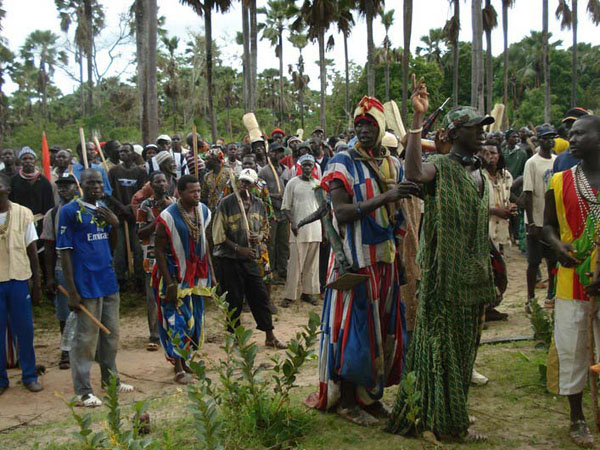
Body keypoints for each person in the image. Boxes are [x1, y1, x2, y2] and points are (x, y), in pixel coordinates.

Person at [388, 77, 496, 441]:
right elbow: (414, 173)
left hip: (473, 277)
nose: (481, 134)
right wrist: (417, 121)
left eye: (483, 128)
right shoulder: (440, 167)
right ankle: (448, 424)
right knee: (442, 351)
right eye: (474, 128)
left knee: (465, 351)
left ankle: (452, 410)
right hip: (444, 280)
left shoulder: (479, 172)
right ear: (455, 132)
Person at [305, 95, 418, 426]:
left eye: (370, 124)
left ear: (382, 127)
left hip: (384, 259)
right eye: (359, 124)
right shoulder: (342, 162)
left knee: (382, 330)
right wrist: (385, 196)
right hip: (354, 262)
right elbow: (340, 212)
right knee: (354, 332)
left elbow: (397, 215)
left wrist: (399, 259)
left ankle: (371, 398)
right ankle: (349, 402)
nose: (363, 129)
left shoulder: (392, 164)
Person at [544, 115, 600, 449]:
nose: (571, 138)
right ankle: (577, 418)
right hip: (571, 281)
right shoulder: (560, 180)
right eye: (571, 134)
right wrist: (557, 245)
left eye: (580, 133)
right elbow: (546, 225)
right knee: (573, 349)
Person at [57, 169, 134, 407]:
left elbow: (110, 244)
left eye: (99, 183)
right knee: (85, 340)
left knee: (111, 335)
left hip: (107, 280)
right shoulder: (69, 211)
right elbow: (65, 252)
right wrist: (71, 290)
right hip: (84, 283)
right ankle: (83, 391)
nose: (96, 187)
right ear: (81, 185)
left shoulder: (103, 209)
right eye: (91, 183)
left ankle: (110, 379)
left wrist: (115, 224)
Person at [212, 168, 287, 350]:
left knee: (260, 297)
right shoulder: (225, 204)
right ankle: (236, 338)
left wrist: (259, 237)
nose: (244, 186)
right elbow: (218, 236)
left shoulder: (259, 204)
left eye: (248, 183)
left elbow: (266, 229)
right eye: (242, 182)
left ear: (254, 186)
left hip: (252, 259)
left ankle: (270, 335)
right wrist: (239, 249)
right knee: (234, 299)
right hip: (229, 260)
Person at [153, 175, 211, 384]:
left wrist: (211, 276)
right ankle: (177, 367)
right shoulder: (167, 217)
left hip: (196, 276)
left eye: (199, 191)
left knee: (193, 319)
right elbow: (158, 250)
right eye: (192, 191)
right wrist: (169, 282)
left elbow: (204, 243)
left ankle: (185, 360)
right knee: (175, 320)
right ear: (180, 192)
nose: (197, 195)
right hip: (173, 275)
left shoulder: (204, 211)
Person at [0, 172, 43, 395]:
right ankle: (1, 380)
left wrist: (36, 284)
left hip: (19, 279)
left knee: (24, 330)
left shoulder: (23, 213)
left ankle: (29, 375)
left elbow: (32, 251)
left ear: (7, 189)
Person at [41, 173, 79, 370]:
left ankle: (87, 348)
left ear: (76, 187)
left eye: (68, 185)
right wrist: (49, 277)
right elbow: (48, 246)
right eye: (60, 186)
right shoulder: (52, 214)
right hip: (61, 268)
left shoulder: (85, 209)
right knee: (64, 311)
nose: (64, 189)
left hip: (84, 268)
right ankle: (66, 350)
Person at [137, 171, 174, 352]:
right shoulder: (145, 206)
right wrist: (159, 220)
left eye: (163, 181)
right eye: (157, 181)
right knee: (152, 295)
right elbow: (141, 232)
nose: (161, 184)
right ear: (151, 185)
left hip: (172, 254)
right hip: (151, 255)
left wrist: (169, 210)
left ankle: (172, 329)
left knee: (172, 291)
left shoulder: (174, 203)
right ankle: (154, 334)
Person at [524, 125, 558, 312]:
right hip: (536, 220)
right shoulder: (532, 163)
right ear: (538, 141)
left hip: (551, 222)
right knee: (534, 262)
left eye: (552, 137)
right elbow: (528, 194)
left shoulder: (557, 161)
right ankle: (530, 299)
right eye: (545, 138)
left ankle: (551, 294)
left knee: (552, 261)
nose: (549, 141)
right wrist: (531, 222)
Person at [281, 154, 322, 308]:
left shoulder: (318, 184)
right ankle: (290, 295)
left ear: (313, 167)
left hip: (315, 229)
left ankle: (308, 292)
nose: (307, 168)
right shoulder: (292, 183)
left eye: (309, 165)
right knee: (295, 264)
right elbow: (285, 207)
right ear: (300, 167)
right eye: (304, 165)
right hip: (298, 229)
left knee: (312, 264)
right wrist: (293, 223)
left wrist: (324, 231)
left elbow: (322, 209)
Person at [481, 142, 514, 322]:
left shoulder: (505, 176)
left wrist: (510, 208)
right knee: (485, 272)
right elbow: (473, 206)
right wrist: (495, 211)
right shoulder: (477, 176)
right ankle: (482, 311)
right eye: (486, 153)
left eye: (494, 153)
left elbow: (507, 199)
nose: (490, 156)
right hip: (483, 231)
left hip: (500, 231)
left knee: (499, 271)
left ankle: (492, 307)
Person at [108, 143, 146, 289]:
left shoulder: (140, 172)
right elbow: (108, 193)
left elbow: (143, 193)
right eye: (121, 151)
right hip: (119, 217)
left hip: (135, 217)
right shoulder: (113, 172)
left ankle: (139, 280)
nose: (122, 154)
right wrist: (121, 207)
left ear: (133, 154)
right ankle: (120, 281)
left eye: (126, 151)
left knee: (137, 249)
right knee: (120, 250)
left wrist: (131, 207)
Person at [258, 142, 290, 284]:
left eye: (280, 152)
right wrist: (273, 195)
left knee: (283, 244)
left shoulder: (285, 169)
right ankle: (270, 272)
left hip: (284, 212)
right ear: (269, 153)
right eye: (275, 152)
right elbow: (259, 192)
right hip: (271, 213)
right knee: (271, 244)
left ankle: (283, 271)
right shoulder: (264, 171)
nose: (278, 155)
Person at [9, 147, 55, 236]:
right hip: (19, 223)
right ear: (20, 161)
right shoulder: (14, 181)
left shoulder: (43, 181)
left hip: (40, 224)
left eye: (31, 158)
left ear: (35, 161)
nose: (28, 161)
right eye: (24, 159)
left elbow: (49, 206)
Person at [553, 107, 590, 173]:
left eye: (576, 126)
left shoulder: (595, 159)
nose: (571, 131)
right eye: (568, 127)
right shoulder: (560, 160)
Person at [201, 148, 232, 213]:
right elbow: (204, 195)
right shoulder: (207, 176)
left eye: (208, 159)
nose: (205, 162)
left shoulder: (229, 174)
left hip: (227, 209)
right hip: (212, 210)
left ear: (216, 160)